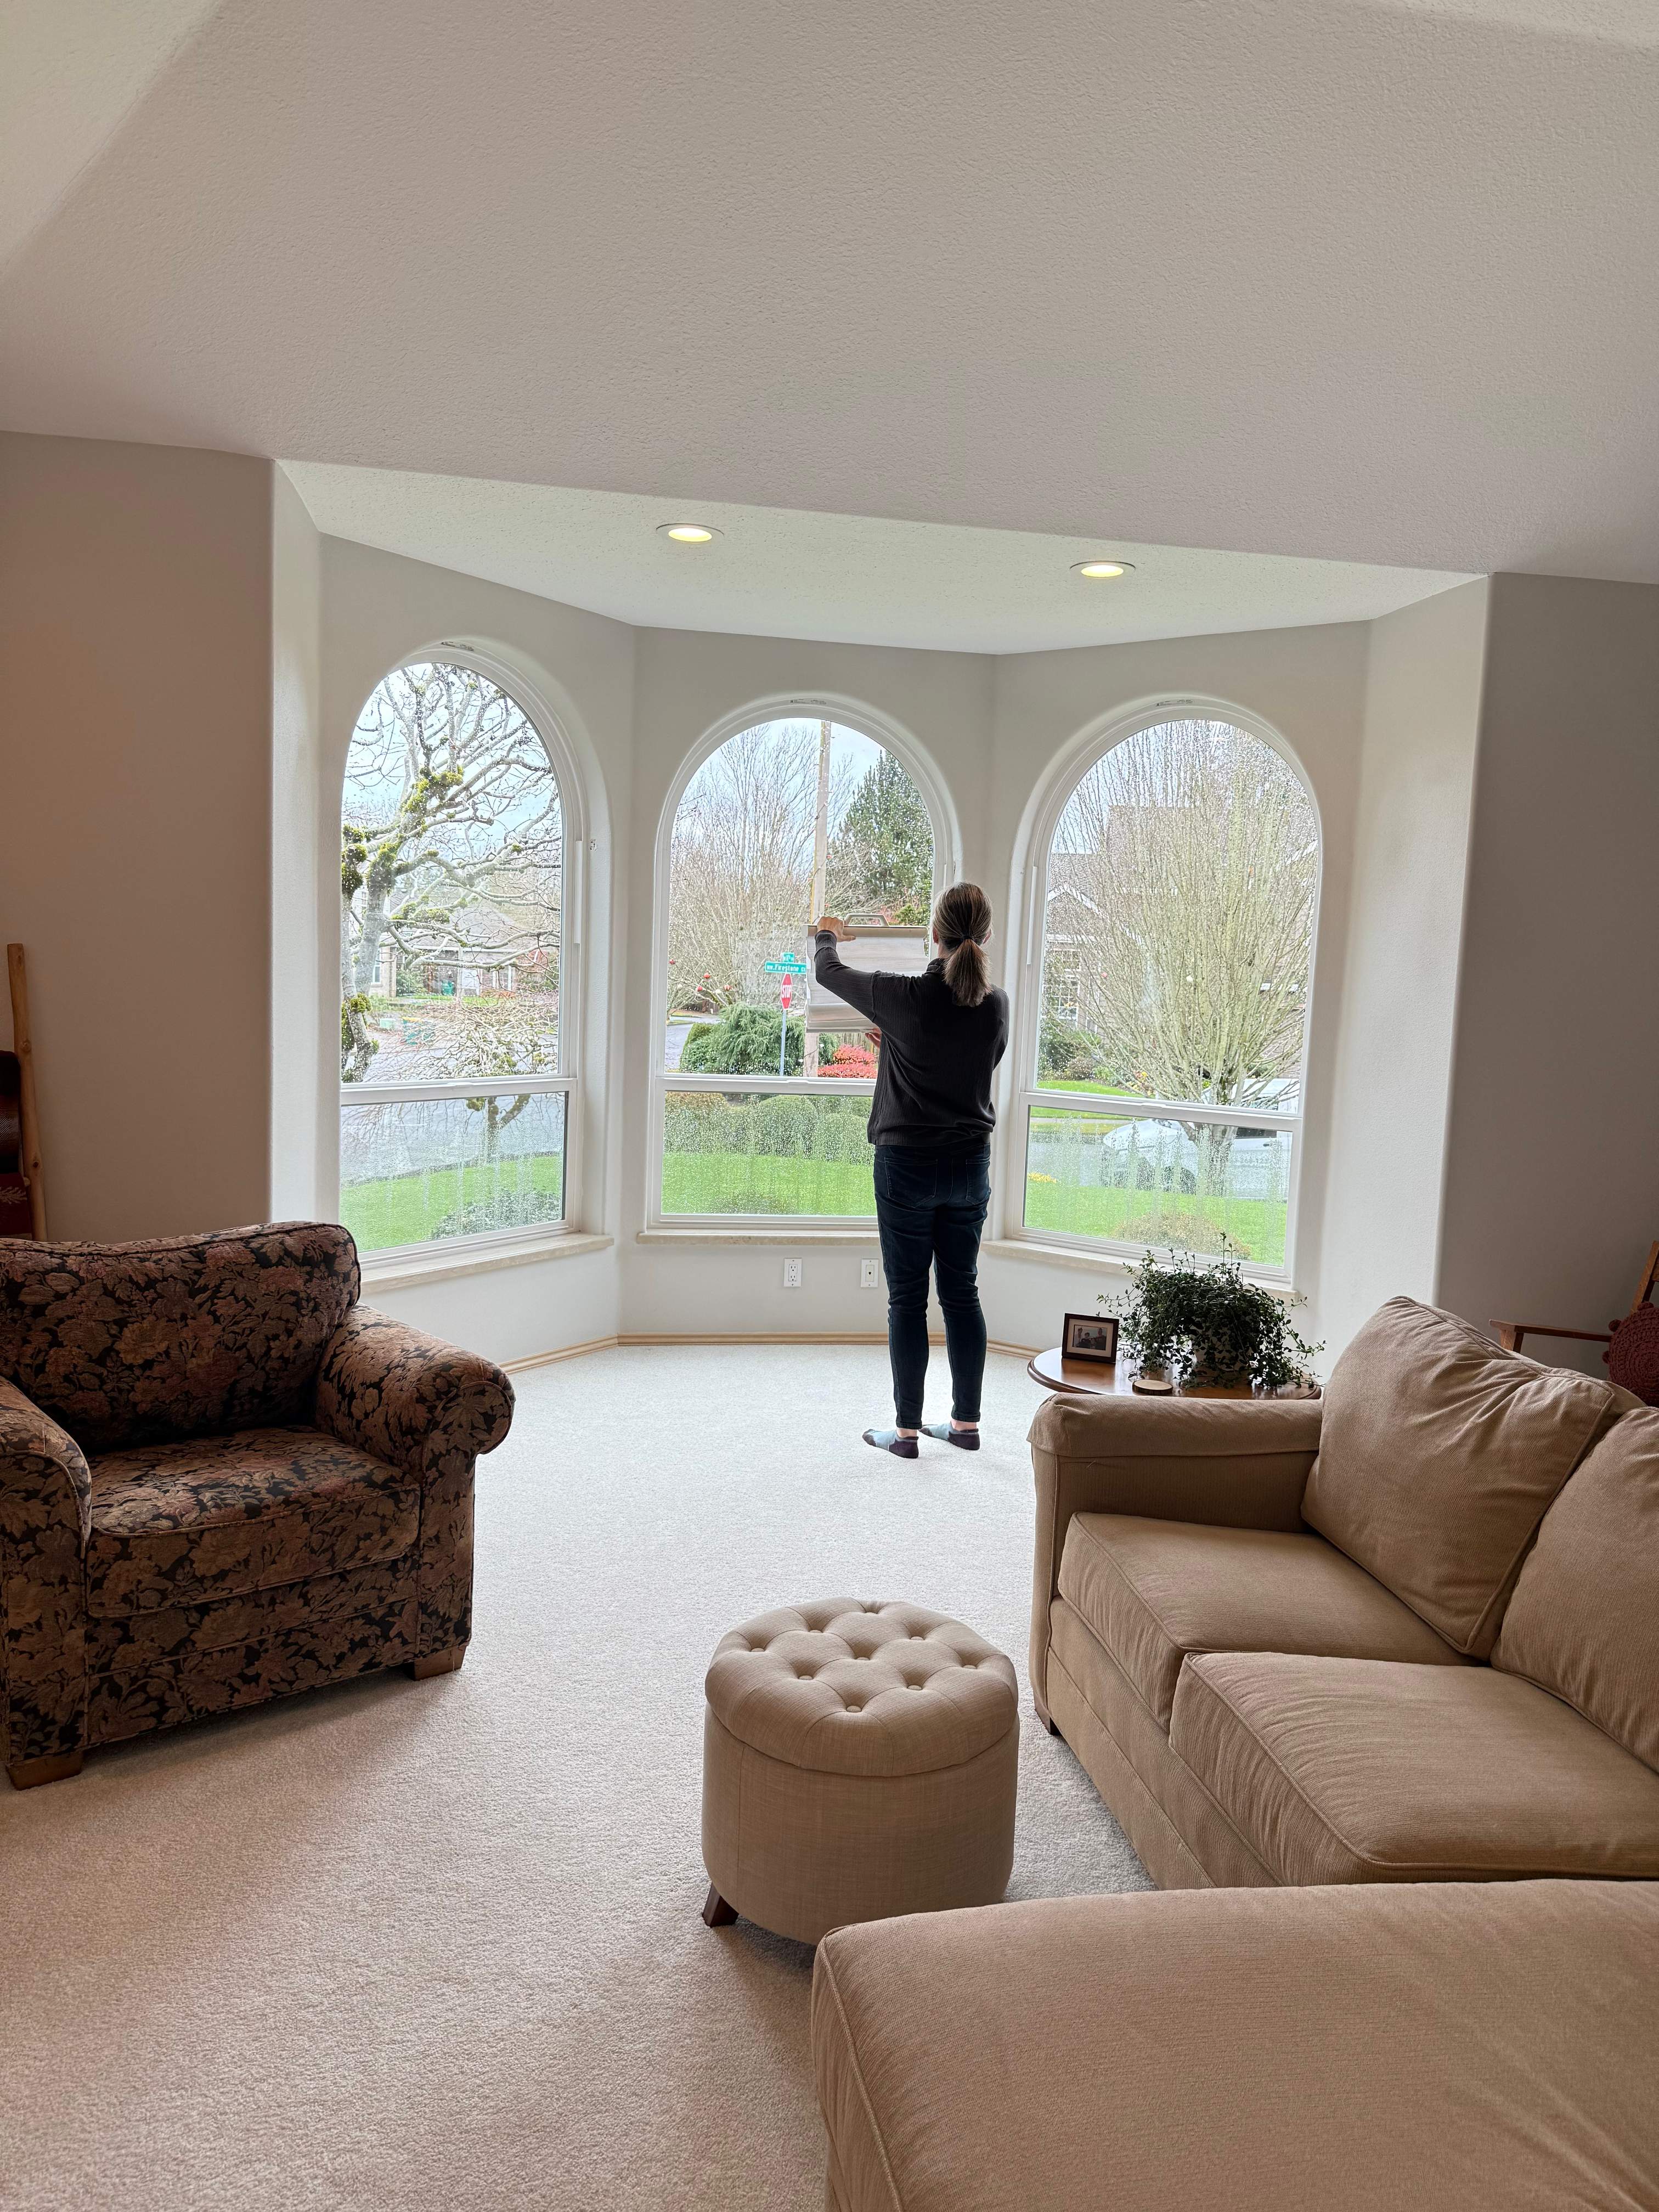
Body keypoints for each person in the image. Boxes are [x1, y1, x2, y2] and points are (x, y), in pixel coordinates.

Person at [813, 884, 1008, 1458]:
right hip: (969, 1167)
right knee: (962, 1293)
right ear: (986, 936)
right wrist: (899, 1045)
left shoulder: (901, 996)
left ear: (934, 934)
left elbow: (828, 970)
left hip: (907, 1168)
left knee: (907, 1300)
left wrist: (826, 932)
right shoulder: (997, 1004)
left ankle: (905, 1434)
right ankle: (966, 1426)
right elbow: (970, 1066)